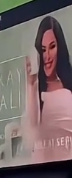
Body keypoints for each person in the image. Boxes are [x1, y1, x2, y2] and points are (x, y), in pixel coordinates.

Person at [24, 15, 72, 162]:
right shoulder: (36, 88)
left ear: (60, 48)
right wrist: (31, 87)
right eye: (43, 50)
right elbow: (31, 135)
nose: (47, 56)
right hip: (42, 168)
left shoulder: (69, 84)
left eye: (52, 47)